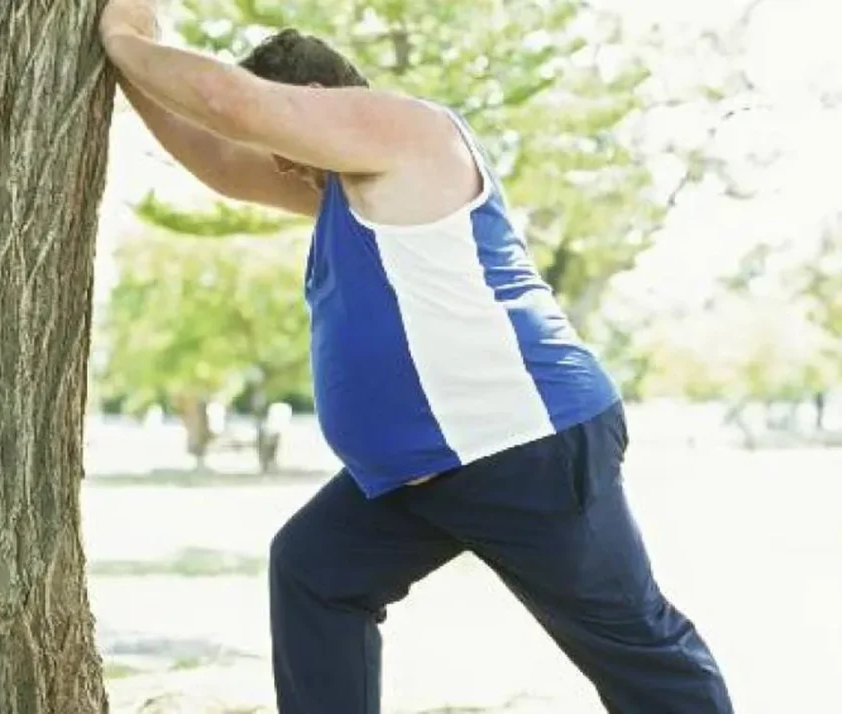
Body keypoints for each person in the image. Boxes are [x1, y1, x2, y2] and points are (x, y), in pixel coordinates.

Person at [99, 3, 735, 712]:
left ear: (312, 104)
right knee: (316, 570)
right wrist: (129, 63)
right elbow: (219, 156)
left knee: (639, 649)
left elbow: (229, 104)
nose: (277, 166)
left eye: (282, 139)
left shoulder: (407, 132)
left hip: (522, 445)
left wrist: (123, 36)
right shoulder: (342, 184)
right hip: (427, 470)